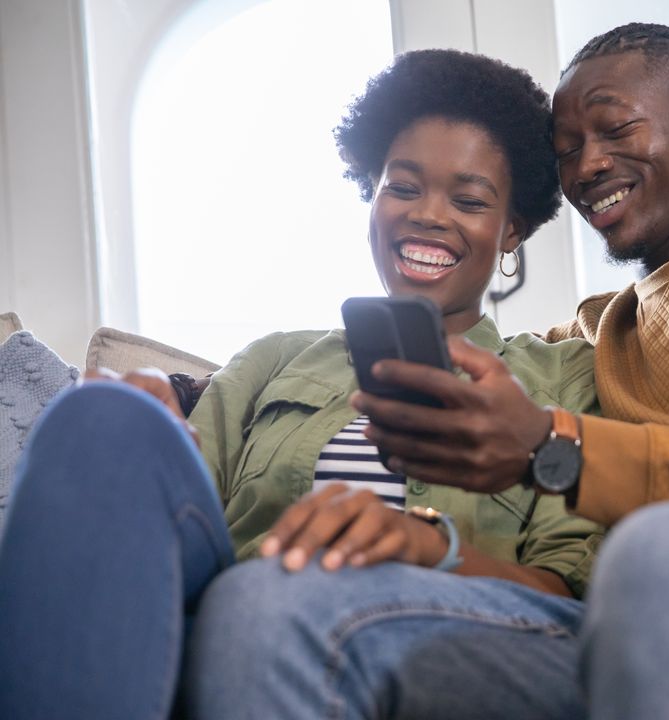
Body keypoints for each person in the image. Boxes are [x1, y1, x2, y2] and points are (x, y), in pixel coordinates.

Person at [187, 22, 669, 720]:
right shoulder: (605, 330)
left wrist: (550, 450)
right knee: (282, 608)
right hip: (654, 628)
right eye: (567, 150)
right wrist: (187, 403)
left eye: (616, 128)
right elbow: (501, 363)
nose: (588, 163)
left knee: (661, 555)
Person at [0, 49, 604, 718]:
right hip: (235, 607)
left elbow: (567, 594)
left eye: (468, 200)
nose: (429, 215)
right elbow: (184, 512)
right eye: (403, 188)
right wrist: (144, 427)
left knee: (263, 598)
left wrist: (428, 544)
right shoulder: (275, 359)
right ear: (371, 193)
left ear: (511, 228)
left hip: (435, 632)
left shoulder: (564, 376)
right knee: (102, 415)